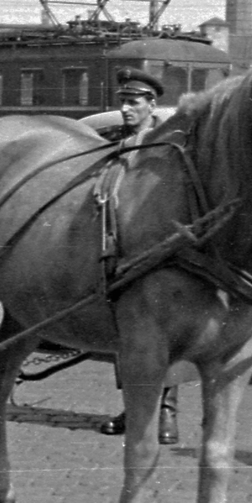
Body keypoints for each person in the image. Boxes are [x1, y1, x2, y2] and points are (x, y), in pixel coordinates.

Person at [93, 68, 182, 445]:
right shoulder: (119, 141)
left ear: (152, 105)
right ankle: (135, 407)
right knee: (128, 337)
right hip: (122, 251)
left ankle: (167, 413)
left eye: (134, 102)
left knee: (168, 335)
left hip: (161, 253)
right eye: (123, 102)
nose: (127, 109)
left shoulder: (164, 144)